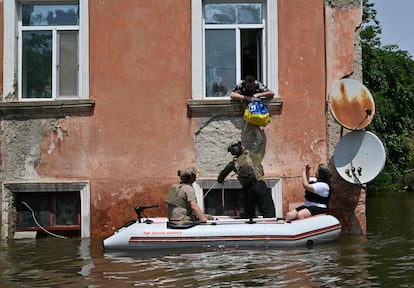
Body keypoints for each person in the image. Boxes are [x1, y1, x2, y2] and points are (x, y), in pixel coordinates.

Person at [217, 141, 276, 219]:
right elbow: (259, 141)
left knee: (249, 216)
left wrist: (221, 180)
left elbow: (221, 177)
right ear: (242, 148)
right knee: (269, 213)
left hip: (247, 190)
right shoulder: (253, 155)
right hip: (259, 185)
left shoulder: (233, 164)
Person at [231, 75, 274, 158]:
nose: (250, 88)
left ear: (254, 83)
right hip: (246, 115)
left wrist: (258, 95)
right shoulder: (241, 85)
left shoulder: (258, 85)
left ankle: (252, 156)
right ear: (245, 83)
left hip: (256, 115)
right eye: (248, 86)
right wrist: (246, 97)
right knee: (245, 139)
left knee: (259, 140)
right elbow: (232, 95)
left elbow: (271, 93)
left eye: (252, 86)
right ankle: (245, 155)